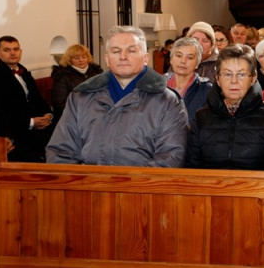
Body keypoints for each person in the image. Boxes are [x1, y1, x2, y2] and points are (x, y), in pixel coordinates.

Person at [46, 26, 188, 166]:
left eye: (131, 51)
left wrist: (124, 181)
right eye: (116, 51)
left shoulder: (167, 102)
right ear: (107, 59)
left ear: (145, 58)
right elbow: (61, 152)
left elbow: (169, 159)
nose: (123, 57)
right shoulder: (80, 98)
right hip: (87, 180)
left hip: (141, 180)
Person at [186, 44, 264, 170]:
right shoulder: (202, 117)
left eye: (241, 74)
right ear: (218, 79)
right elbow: (192, 167)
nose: (234, 81)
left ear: (253, 78)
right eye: (227, 74)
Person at [0, 36, 54, 162]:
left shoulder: (24, 72)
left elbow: (38, 99)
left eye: (16, 49)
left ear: (20, 52)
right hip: (16, 132)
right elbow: (0, 113)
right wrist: (31, 122)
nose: (12, 53)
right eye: (7, 50)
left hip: (38, 126)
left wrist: (48, 114)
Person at [165, 37, 212, 126]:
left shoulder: (206, 90)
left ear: (197, 63)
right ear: (171, 59)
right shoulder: (158, 86)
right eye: (179, 56)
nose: (183, 61)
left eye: (190, 57)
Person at [51, 44, 103, 121]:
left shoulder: (96, 72)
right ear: (69, 60)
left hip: (98, 113)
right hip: (74, 117)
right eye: (76, 58)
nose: (81, 60)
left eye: (84, 57)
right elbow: (60, 104)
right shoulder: (63, 76)